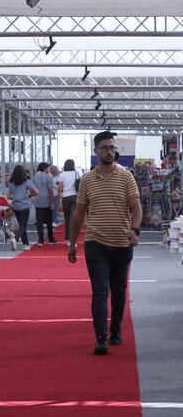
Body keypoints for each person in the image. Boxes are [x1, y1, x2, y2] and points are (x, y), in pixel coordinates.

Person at [68, 131, 142, 355]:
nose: (109, 151)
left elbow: (136, 208)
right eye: (105, 148)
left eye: (112, 147)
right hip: (95, 242)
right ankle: (100, 338)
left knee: (119, 291)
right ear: (96, 151)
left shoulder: (126, 176)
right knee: (100, 291)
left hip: (121, 242)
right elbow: (79, 213)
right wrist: (72, 244)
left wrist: (135, 230)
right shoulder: (88, 180)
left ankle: (115, 330)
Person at [7, 165, 39, 250]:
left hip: (15, 206)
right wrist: (29, 195)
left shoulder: (11, 183)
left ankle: (26, 244)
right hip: (24, 205)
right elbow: (37, 192)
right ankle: (16, 238)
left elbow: (8, 196)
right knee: (23, 226)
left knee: (21, 225)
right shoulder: (27, 181)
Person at [32, 162, 57, 246]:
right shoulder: (48, 177)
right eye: (48, 168)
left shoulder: (35, 177)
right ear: (45, 168)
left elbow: (32, 189)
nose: (49, 169)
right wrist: (52, 202)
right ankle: (50, 238)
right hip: (46, 200)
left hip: (37, 201)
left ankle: (41, 240)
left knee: (39, 221)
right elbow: (50, 190)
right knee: (49, 221)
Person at [57, 159, 80, 245]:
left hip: (65, 198)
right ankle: (71, 239)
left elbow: (60, 189)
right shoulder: (77, 173)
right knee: (72, 219)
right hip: (75, 196)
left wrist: (60, 200)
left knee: (67, 219)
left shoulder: (62, 175)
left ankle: (67, 238)